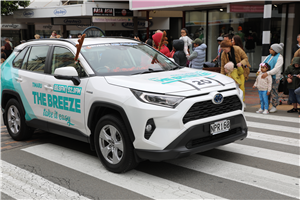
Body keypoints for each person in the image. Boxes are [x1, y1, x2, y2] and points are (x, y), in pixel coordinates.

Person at [220, 40, 250, 105]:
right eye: (223, 49)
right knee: (231, 88)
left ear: (229, 46)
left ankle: (242, 102)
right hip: (230, 72)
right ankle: (233, 103)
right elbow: (222, 66)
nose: (224, 51)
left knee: (241, 87)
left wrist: (241, 63)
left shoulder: (237, 49)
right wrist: (222, 76)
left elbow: (245, 58)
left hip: (240, 70)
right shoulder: (223, 54)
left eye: (225, 49)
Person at [259, 43, 284, 113]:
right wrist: (259, 71)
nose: (269, 50)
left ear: (275, 50)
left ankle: (274, 105)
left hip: (275, 77)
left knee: (273, 91)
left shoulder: (280, 58)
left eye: (271, 49)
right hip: (266, 76)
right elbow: (262, 64)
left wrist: (267, 73)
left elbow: (276, 69)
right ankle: (265, 106)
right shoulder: (268, 56)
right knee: (266, 91)